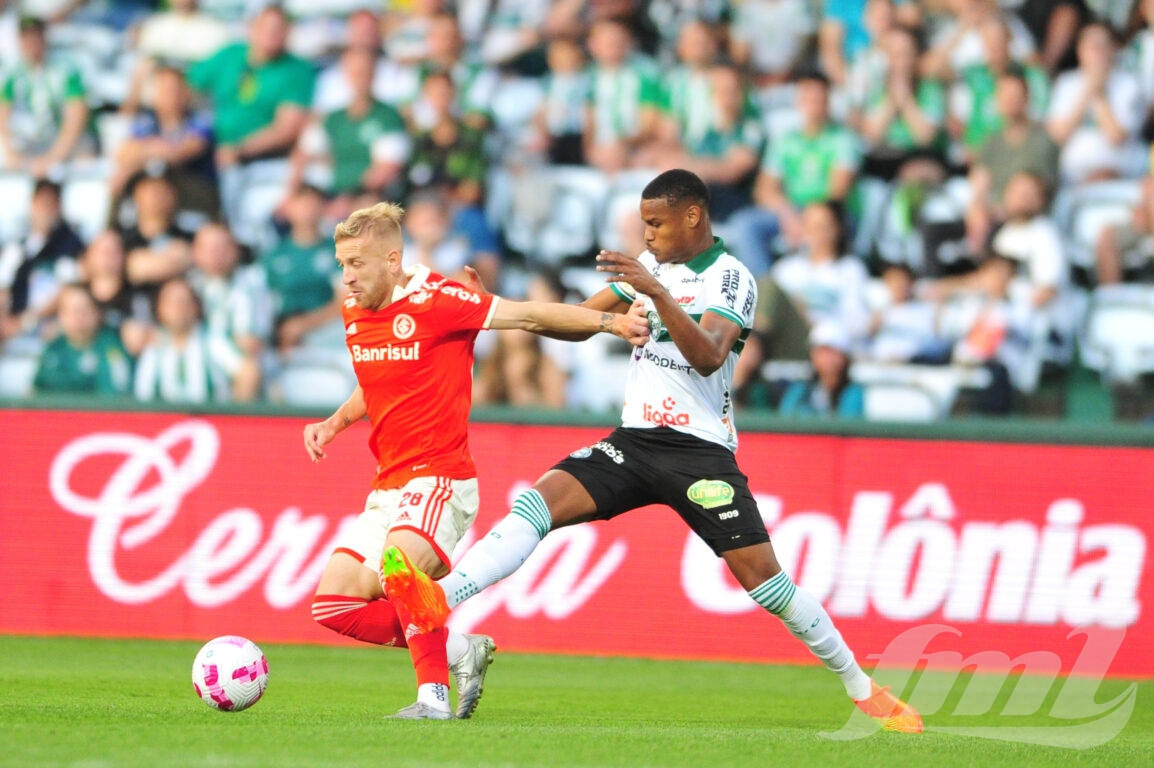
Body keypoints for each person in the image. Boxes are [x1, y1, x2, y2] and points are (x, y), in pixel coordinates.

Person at [375, 169, 923, 733]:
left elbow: (709, 354)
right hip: (635, 441)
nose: (650, 234)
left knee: (770, 585)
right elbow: (585, 322)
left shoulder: (731, 278)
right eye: (644, 224)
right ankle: (440, 598)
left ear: (694, 217)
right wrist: (496, 307)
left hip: (699, 454)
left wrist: (655, 289)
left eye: (657, 223)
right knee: (536, 504)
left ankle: (865, 690)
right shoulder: (651, 268)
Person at [301, 200, 650, 720]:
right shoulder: (356, 311)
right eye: (342, 265)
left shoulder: (440, 300)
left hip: (441, 478)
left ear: (393, 260)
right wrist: (335, 422)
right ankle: (461, 649)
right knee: (333, 604)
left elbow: (530, 314)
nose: (346, 278)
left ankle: (432, 699)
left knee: (400, 570)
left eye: (357, 264)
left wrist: (609, 323)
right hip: (388, 485)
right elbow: (377, 380)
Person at [33, 283, 133, 396]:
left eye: (84, 310)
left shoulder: (110, 347)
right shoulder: (54, 347)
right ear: (60, 315)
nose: (77, 317)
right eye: (71, 310)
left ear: (97, 313)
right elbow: (35, 393)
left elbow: (115, 399)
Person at [779, 320, 865, 417]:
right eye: (822, 352)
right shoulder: (800, 390)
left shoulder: (853, 392)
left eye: (833, 352)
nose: (827, 359)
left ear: (844, 357)